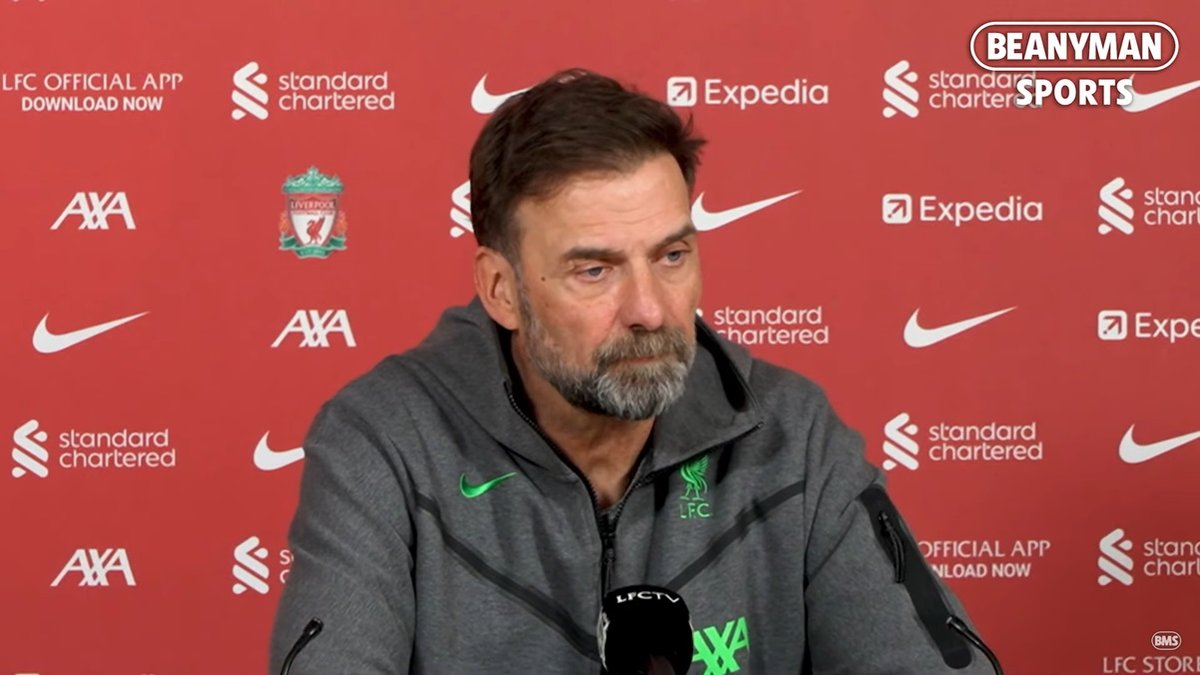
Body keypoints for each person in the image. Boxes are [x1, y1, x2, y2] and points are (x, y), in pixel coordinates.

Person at [269, 68, 1002, 674]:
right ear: (501, 289)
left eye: (672, 256)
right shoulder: (384, 442)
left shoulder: (794, 437)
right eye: (595, 270)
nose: (650, 309)